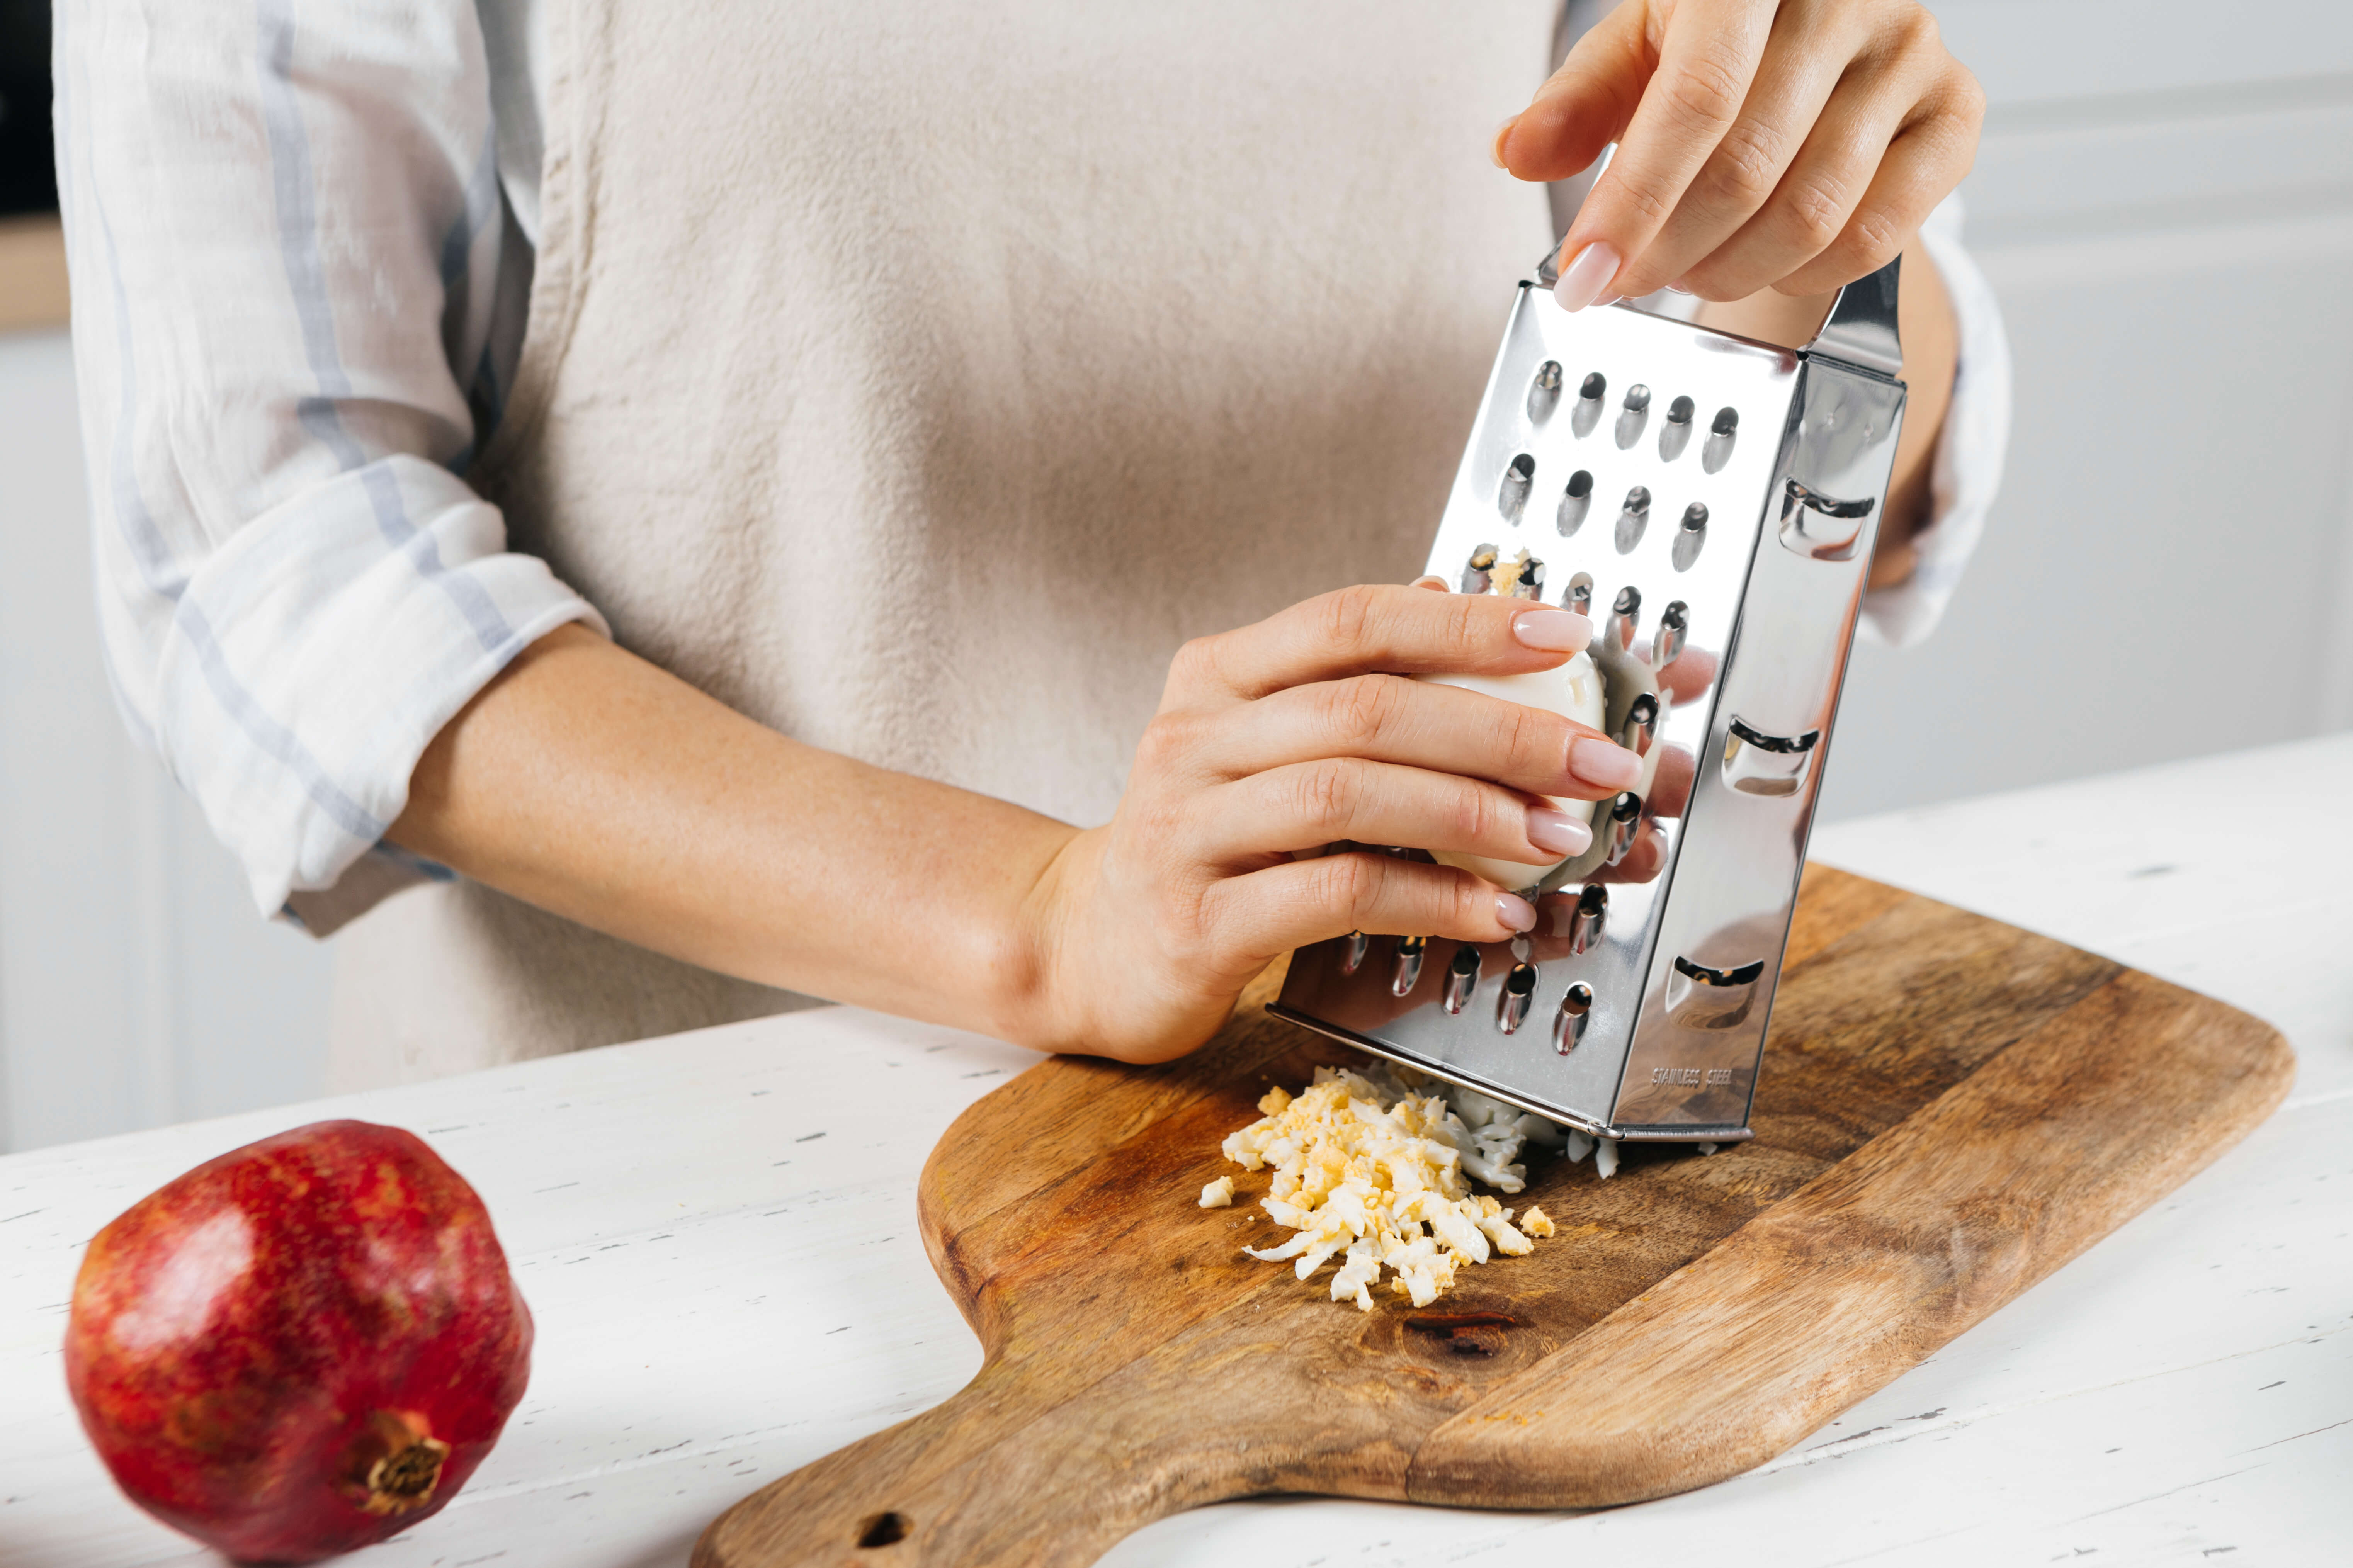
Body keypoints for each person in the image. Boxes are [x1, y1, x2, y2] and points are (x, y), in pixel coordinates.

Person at [55, 0, 2007, 1085]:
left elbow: (1818, 389)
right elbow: (278, 557)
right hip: (702, 1180)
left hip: (1428, 1143)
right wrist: (1054, 909)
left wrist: (1839, 218)